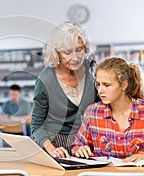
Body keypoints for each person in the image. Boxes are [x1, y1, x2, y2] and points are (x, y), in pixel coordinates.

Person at [72, 57, 144, 162]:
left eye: (106, 85)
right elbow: (77, 145)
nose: (100, 90)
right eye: (98, 84)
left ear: (124, 85)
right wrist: (80, 149)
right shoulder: (92, 113)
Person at [30, 22, 100, 159]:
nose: (75, 58)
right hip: (54, 146)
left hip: (85, 144)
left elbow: (101, 109)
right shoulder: (46, 79)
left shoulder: (92, 72)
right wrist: (52, 150)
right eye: (67, 52)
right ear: (57, 53)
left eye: (79, 49)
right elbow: (36, 125)